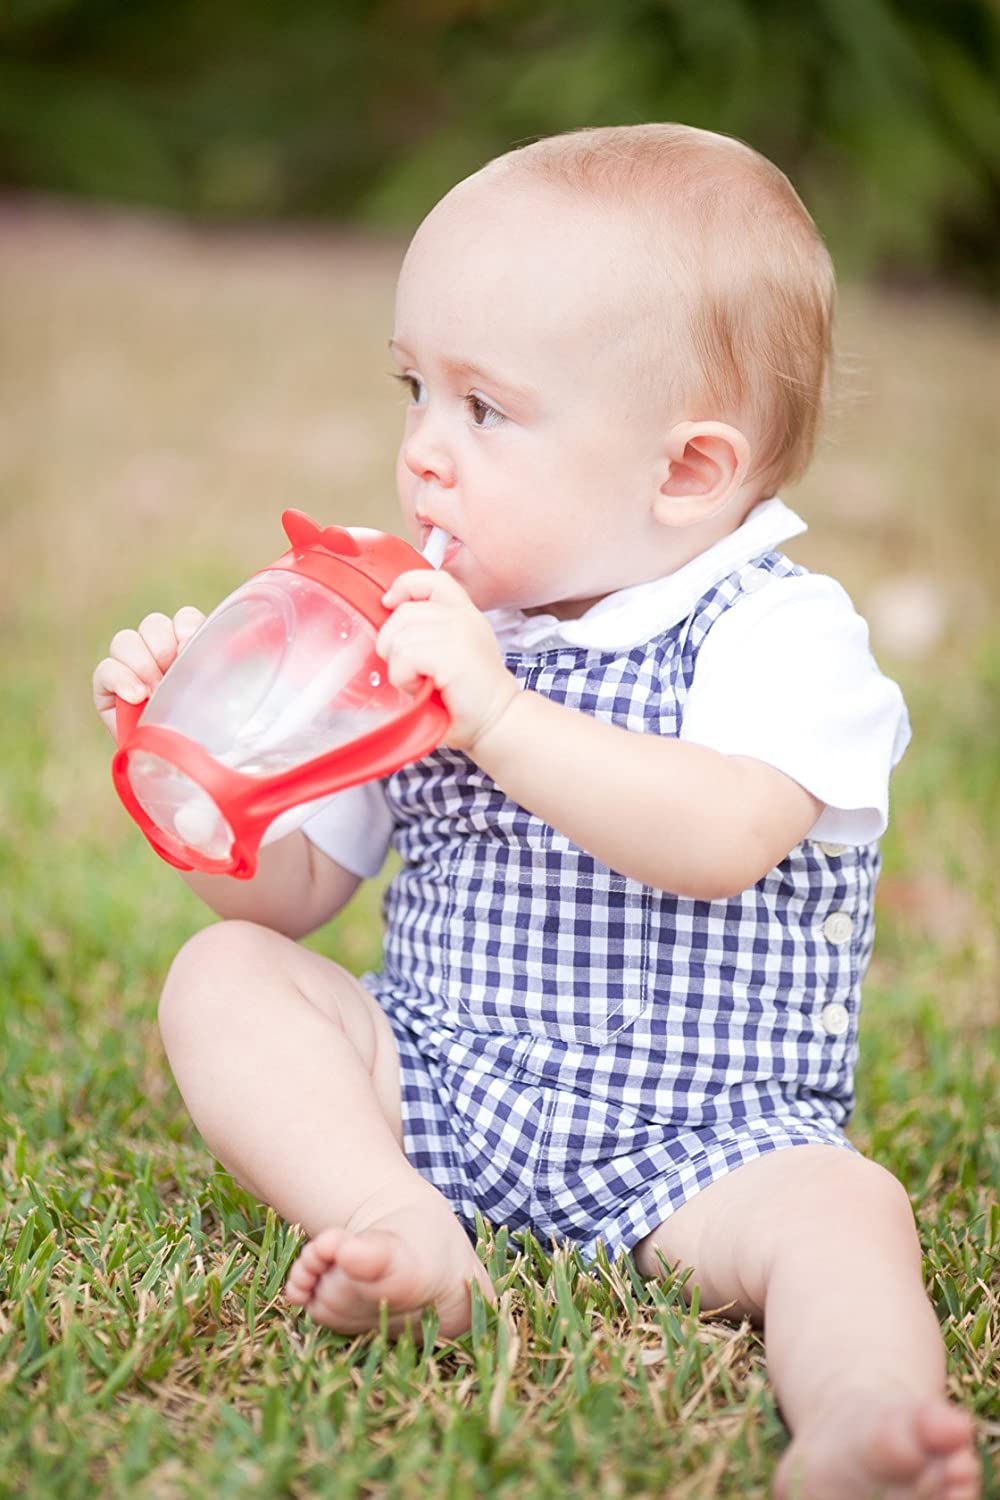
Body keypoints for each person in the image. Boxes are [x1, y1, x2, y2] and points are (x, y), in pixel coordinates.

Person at [92, 125, 981, 1499]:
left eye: (485, 410)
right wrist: (209, 754)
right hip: (438, 1094)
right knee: (225, 974)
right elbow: (294, 898)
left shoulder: (780, 635)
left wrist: (500, 717)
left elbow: (719, 840)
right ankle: (394, 1219)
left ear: (684, 472)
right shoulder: (421, 629)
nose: (424, 456)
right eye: (413, 391)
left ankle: (862, 1418)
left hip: (704, 1143)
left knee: (845, 1213)